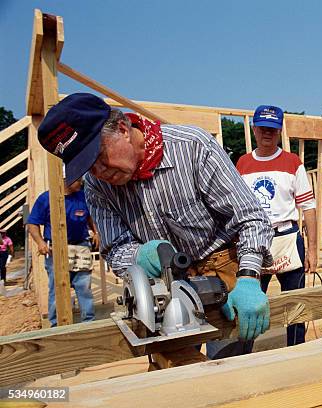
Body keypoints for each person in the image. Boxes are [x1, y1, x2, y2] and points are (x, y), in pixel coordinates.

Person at [36, 93, 274, 358]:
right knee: (173, 371)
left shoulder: (192, 147)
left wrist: (249, 278)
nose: (100, 172)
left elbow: (251, 217)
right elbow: (114, 248)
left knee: (229, 367)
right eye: (89, 167)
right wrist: (140, 255)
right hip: (163, 284)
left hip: (222, 270)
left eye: (100, 156)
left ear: (124, 129)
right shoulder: (97, 185)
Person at [236, 105, 317, 346]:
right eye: (262, 128)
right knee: (247, 301)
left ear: (280, 130)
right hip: (255, 241)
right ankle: (243, 354)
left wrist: (312, 250)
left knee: (295, 304)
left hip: (288, 238)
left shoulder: (293, 163)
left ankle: (296, 352)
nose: (267, 133)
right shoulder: (242, 164)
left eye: (272, 128)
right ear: (254, 129)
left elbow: (308, 207)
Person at [26, 178, 97, 326]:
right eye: (78, 180)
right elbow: (32, 223)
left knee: (83, 285)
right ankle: (56, 325)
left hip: (80, 246)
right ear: (67, 180)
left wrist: (96, 232)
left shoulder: (82, 196)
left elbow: (90, 217)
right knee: (57, 287)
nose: (81, 182)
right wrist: (40, 242)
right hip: (55, 249)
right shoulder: (46, 198)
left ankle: (89, 323)